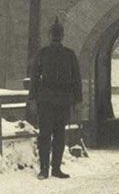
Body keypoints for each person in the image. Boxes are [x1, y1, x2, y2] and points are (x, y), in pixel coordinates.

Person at [29, 17, 82, 180]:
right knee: (58, 135)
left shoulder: (43, 53)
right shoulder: (69, 54)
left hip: (47, 100)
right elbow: (77, 79)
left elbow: (35, 77)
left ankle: (45, 169)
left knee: (46, 135)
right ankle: (54, 168)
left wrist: (32, 97)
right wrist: (77, 100)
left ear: (49, 35)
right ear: (62, 35)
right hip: (61, 100)